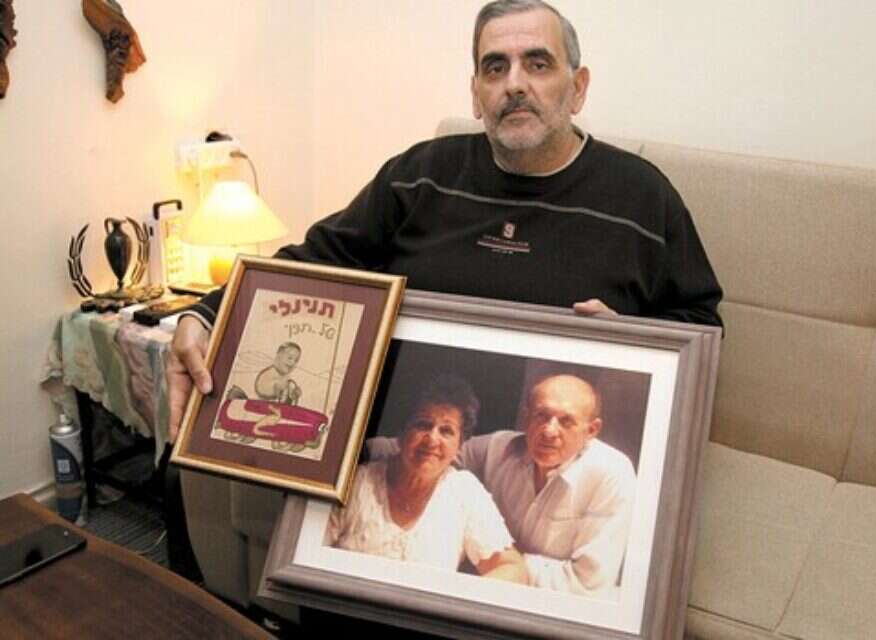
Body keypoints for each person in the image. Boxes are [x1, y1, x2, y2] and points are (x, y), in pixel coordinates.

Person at [167, 0, 722, 440]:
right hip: (395, 433)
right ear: (476, 94)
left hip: (546, 450)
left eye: (538, 63)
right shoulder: (419, 177)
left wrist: (633, 345)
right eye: (495, 67)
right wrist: (207, 314)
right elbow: (316, 261)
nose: (515, 84)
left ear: (577, 88)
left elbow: (701, 325)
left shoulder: (643, 197)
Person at [368, 373, 634, 597]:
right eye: (541, 416)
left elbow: (586, 585)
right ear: (526, 418)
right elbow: (432, 450)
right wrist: (356, 446)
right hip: (491, 587)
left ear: (591, 430)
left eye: (566, 421)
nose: (549, 431)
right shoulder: (499, 447)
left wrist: (507, 562)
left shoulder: (612, 474)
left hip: (556, 610)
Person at [325, 375, 527, 583]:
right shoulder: (356, 483)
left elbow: (514, 569)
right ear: (402, 433)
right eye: (423, 425)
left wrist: (454, 595)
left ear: (459, 445)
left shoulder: (464, 492)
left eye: (446, 431)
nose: (432, 439)